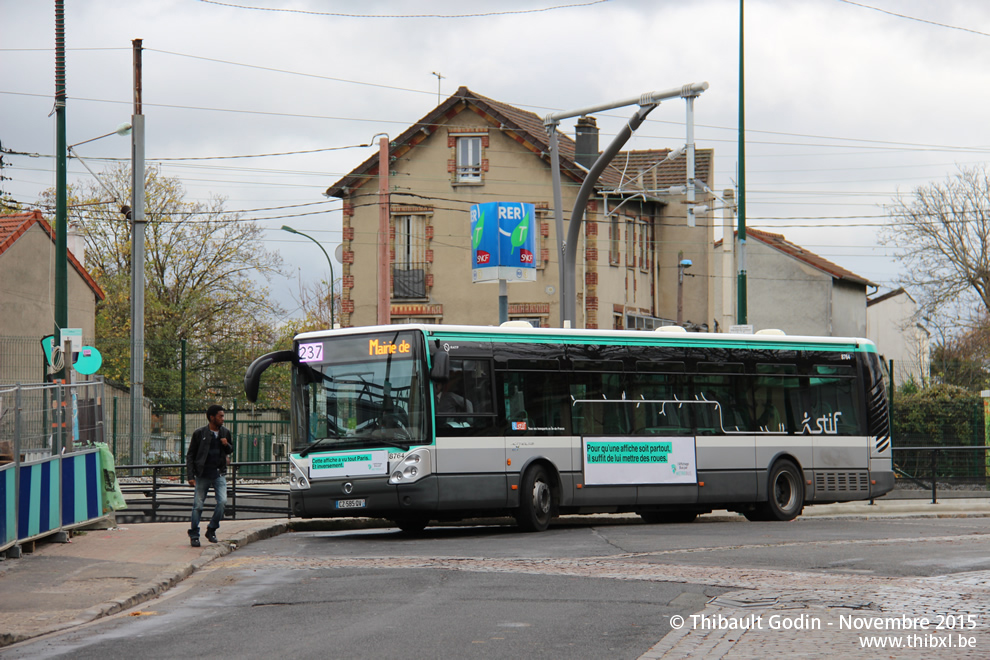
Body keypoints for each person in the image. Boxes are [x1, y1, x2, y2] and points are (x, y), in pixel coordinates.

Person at [186, 404, 233, 547]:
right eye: (220, 416)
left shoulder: (225, 432)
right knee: (198, 506)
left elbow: (231, 449)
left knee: (223, 501)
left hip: (219, 474)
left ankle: (211, 529)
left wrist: (226, 445)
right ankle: (194, 534)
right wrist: (190, 476)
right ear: (212, 417)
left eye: (223, 416)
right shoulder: (199, 433)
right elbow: (190, 455)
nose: (223, 419)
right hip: (202, 474)